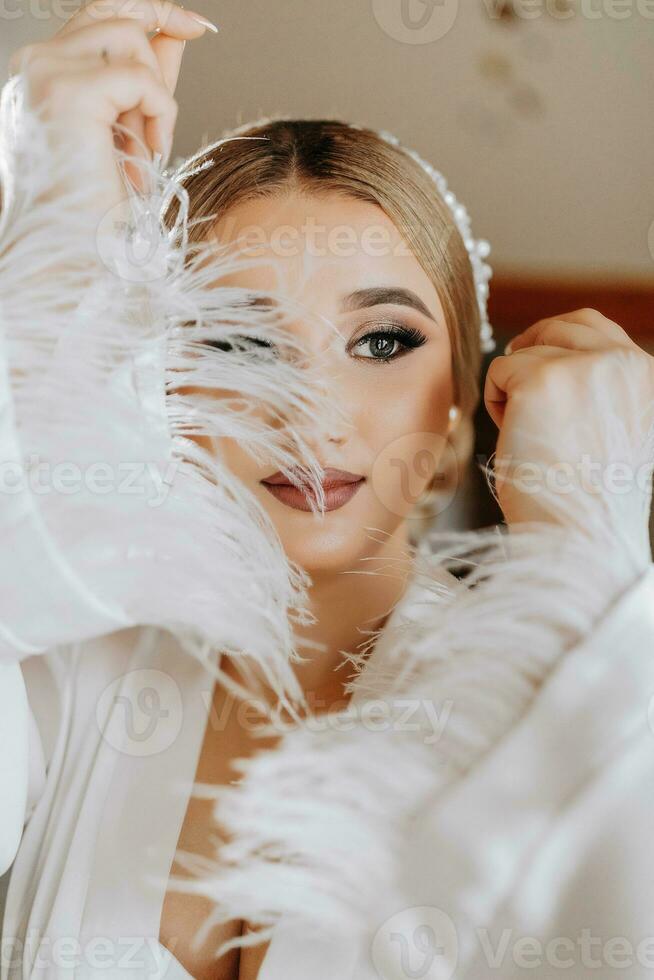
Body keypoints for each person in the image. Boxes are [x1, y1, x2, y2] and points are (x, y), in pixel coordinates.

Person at [1, 4, 653, 979]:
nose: (310, 412)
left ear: (460, 405)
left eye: (382, 341)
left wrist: (585, 550)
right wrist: (46, 259)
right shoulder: (50, 672)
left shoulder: (590, 680)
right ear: (156, 380)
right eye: (236, 339)